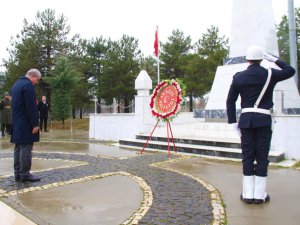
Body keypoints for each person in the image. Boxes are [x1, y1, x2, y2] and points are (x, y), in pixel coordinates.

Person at [226, 45, 295, 204]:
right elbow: (290, 70)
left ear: (247, 59)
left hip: (246, 121)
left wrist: (232, 122)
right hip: (264, 121)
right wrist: (274, 59)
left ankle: (248, 194)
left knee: (248, 156)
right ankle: (259, 195)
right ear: (261, 58)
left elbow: (230, 101)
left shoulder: (239, 77)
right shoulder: (270, 74)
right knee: (262, 156)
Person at [11, 68, 42, 182]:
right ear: (33, 76)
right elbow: (31, 107)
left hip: (17, 122)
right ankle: (25, 174)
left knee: (18, 148)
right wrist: (35, 124)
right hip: (26, 123)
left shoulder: (16, 84)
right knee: (26, 149)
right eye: (37, 79)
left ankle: (17, 173)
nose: (36, 82)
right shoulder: (28, 86)